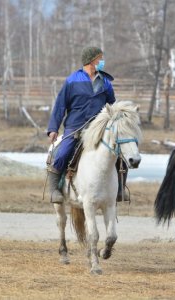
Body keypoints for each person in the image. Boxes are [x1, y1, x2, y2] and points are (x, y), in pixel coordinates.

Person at [47, 46, 123, 204]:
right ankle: (54, 189)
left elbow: (112, 105)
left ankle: (120, 189)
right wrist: (53, 129)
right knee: (61, 153)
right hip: (75, 126)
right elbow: (60, 105)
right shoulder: (72, 80)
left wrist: (119, 118)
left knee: (120, 152)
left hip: (99, 127)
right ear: (91, 60)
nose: (102, 61)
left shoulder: (105, 81)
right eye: (99, 58)